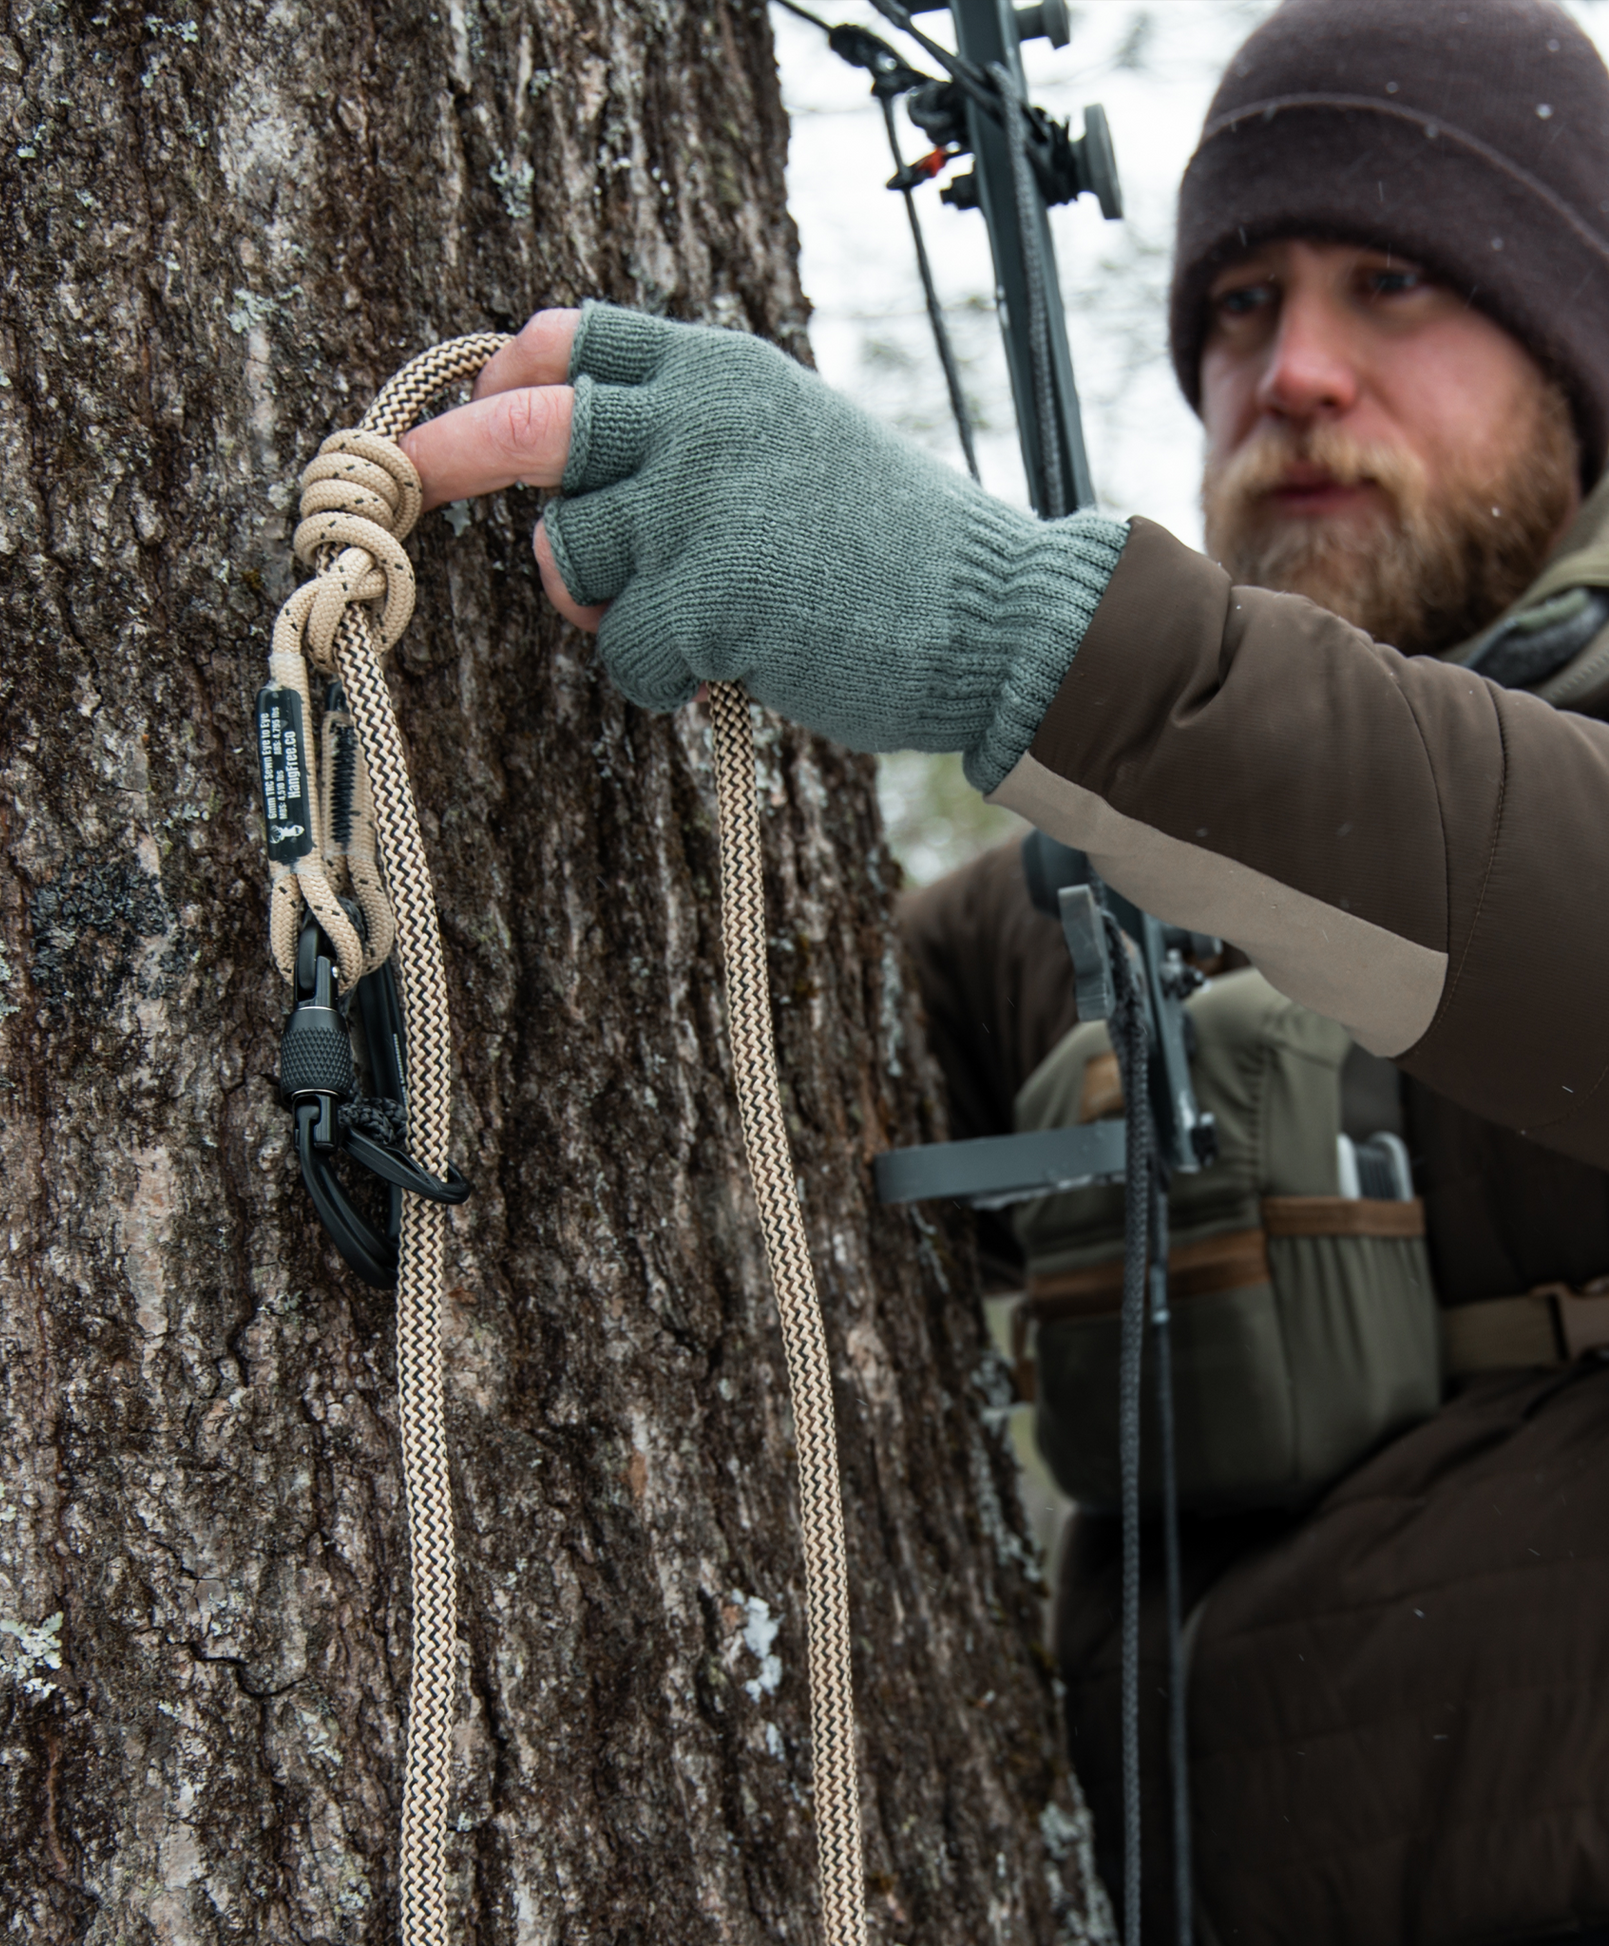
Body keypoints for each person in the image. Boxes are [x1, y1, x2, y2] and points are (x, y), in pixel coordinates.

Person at [402, 0, 1609, 1936]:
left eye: (1395, 283)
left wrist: (993, 631)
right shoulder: (1080, 909)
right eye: (1235, 305)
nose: (1293, 371)